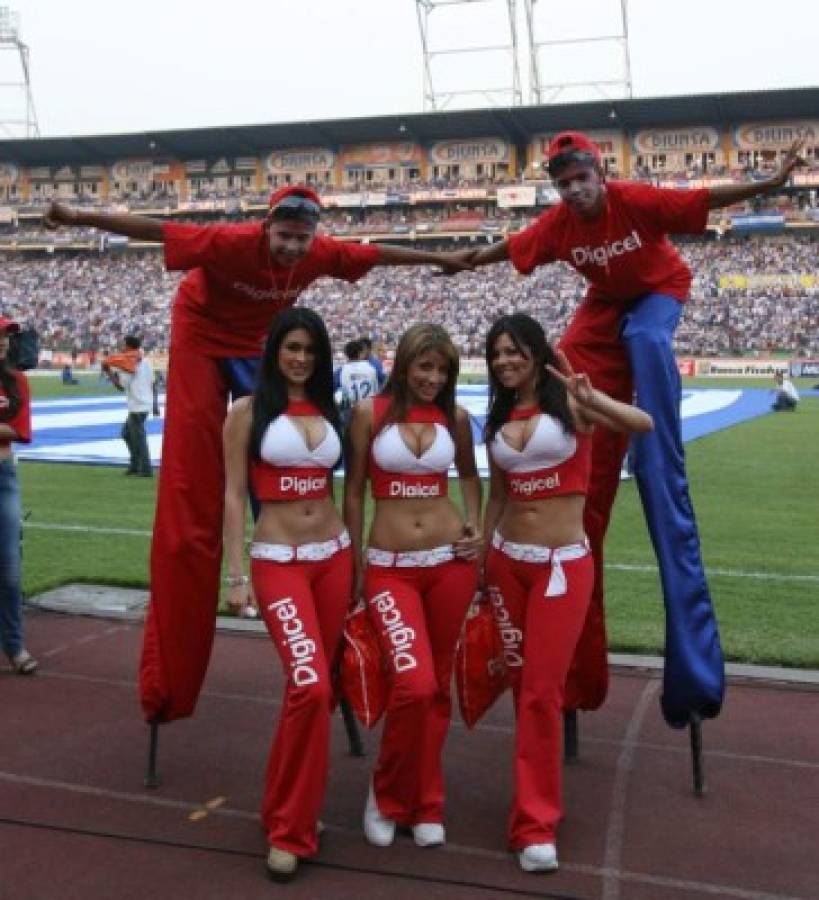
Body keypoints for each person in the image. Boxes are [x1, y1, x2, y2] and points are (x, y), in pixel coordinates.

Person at [43, 188, 473, 725]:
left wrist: (441, 258)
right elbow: (153, 228)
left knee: (289, 461)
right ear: (266, 227)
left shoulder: (320, 253)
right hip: (200, 334)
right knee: (189, 486)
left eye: (302, 239)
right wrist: (76, 214)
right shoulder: (229, 240)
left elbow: (379, 252)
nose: (293, 248)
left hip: (260, 347)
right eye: (284, 236)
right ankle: (171, 680)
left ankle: (312, 616)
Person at [463, 132, 805, 729]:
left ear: (600, 173)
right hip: (606, 301)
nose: (575, 191)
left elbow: (706, 197)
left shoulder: (637, 200)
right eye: (564, 185)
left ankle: (657, 445)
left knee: (647, 340)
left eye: (582, 180)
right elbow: (511, 246)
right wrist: (462, 260)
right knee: (566, 357)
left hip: (657, 292)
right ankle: (580, 442)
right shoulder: (558, 225)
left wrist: (771, 185)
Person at [482, 313, 652, 872]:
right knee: (520, 689)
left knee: (541, 691)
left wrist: (595, 396)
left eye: (515, 351)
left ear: (536, 352)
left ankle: (535, 823)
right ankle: (528, 806)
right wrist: (482, 560)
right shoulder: (499, 416)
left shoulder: (571, 406)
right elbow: (498, 497)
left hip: (560, 567)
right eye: (498, 354)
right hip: (508, 563)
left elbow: (643, 423)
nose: (507, 361)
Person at [343, 323, 481, 849]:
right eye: (424, 366)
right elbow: (353, 492)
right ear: (403, 365)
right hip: (390, 567)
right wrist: (355, 560)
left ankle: (427, 800)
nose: (433, 377)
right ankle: (386, 792)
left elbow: (470, 476)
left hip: (451, 564)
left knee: (437, 688)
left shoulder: (457, 418)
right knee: (414, 684)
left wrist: (477, 528)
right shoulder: (368, 415)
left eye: (442, 369)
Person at [223, 308, 349, 881]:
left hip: (334, 558)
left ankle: (281, 805)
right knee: (309, 682)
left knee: (317, 694)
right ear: (275, 350)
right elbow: (231, 497)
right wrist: (234, 575)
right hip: (279, 563)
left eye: (311, 350)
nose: (301, 358)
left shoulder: (329, 409)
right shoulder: (247, 412)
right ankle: (292, 829)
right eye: (293, 347)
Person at [0, 315, 37, 675]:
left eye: (7, 337)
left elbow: (19, 430)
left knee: (9, 568)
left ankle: (14, 645)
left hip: (3, 477)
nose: (4, 342)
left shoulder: (17, 381)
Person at [104, 335, 154, 477]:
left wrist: (109, 373)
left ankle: (144, 468)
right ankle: (135, 464)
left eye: (123, 344)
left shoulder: (128, 363)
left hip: (137, 405)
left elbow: (121, 386)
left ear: (129, 346)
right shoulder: (145, 361)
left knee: (138, 437)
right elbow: (152, 383)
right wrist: (154, 404)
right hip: (144, 403)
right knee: (127, 433)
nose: (121, 347)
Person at [334, 339, 379, 431]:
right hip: (370, 411)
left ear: (346, 354)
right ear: (361, 353)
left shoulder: (340, 372)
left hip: (350, 414)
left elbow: (336, 394)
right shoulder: (373, 368)